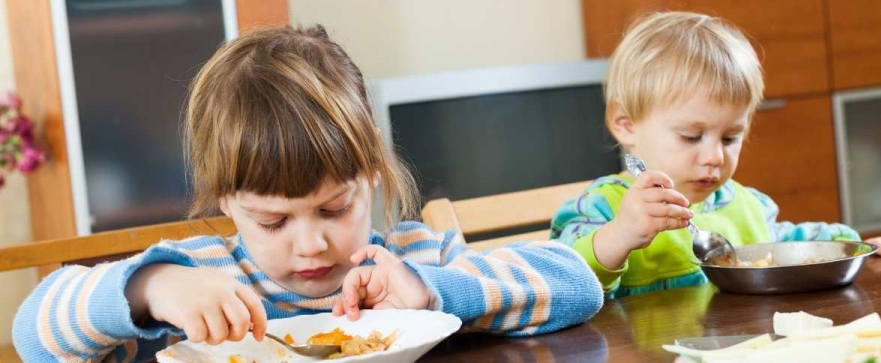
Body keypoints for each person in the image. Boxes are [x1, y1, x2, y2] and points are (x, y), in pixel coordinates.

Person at [13, 25, 603, 362]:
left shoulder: (412, 260)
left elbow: (577, 285)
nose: (311, 244)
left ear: (372, 169)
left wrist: (430, 294)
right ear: (225, 200)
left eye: (334, 208)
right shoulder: (198, 278)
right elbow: (32, 335)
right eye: (273, 222)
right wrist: (149, 288)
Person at [549, 11, 881, 299]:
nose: (715, 156)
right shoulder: (600, 207)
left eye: (731, 137)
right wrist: (622, 234)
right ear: (625, 124)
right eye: (692, 136)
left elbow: (789, 246)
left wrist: (855, 248)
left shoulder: (746, 205)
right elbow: (562, 284)